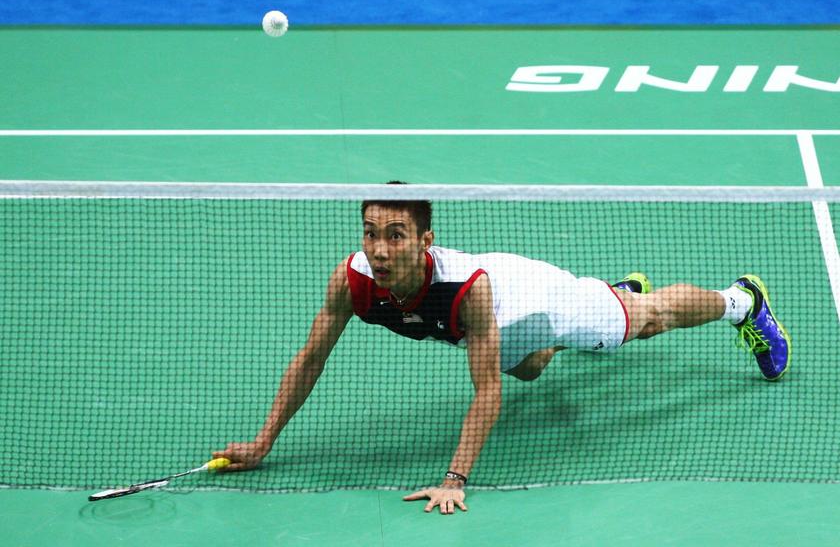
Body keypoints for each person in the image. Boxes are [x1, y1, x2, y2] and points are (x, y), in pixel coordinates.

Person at [213, 188, 791, 516]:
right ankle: (612, 296)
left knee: (648, 321)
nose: (379, 249)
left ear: (425, 241)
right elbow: (311, 358)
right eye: (370, 232)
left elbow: (487, 391)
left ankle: (741, 302)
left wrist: (454, 478)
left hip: (536, 300)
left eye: (395, 236)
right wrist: (264, 441)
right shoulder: (352, 280)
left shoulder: (466, 289)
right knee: (532, 369)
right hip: (494, 325)